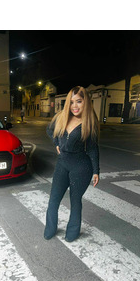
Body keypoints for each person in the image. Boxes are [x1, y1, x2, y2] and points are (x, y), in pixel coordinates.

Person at [44, 86, 100, 242]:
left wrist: (96, 170)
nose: (75, 106)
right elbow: (49, 130)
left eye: (79, 101)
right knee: (54, 199)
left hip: (81, 167)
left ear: (85, 102)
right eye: (71, 102)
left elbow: (93, 148)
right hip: (62, 164)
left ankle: (73, 232)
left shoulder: (89, 122)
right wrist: (56, 143)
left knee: (75, 201)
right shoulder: (61, 117)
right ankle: (50, 228)